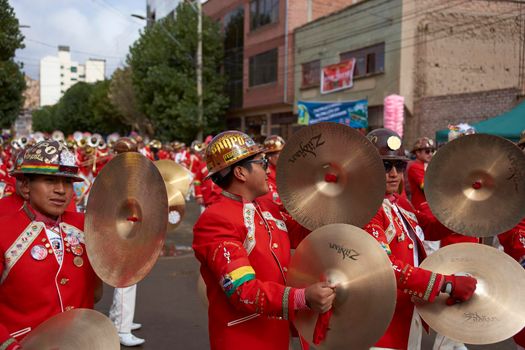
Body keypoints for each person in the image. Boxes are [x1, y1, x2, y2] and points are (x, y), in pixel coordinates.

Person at [193, 131, 335, 350]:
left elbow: (300, 234)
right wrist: (302, 297)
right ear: (240, 172)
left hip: (277, 332)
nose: (267, 168)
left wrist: (327, 197)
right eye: (261, 162)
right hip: (245, 339)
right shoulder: (215, 220)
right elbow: (243, 291)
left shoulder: (265, 206)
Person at [364, 129, 477, 350]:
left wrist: (465, 207)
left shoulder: (400, 203)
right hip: (381, 324)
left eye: (399, 166)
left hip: (408, 314)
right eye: (386, 166)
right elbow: (383, 267)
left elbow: (428, 228)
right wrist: (447, 284)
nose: (394, 173)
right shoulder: (365, 208)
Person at [0, 140, 101, 349]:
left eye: (67, 182)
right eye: (50, 180)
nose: (61, 190)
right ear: (26, 186)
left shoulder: (87, 226)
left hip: (82, 342)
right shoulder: (3, 230)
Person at [108, 137, 145, 347]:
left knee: (126, 278)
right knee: (127, 279)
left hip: (125, 227)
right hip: (121, 229)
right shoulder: (120, 176)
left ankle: (118, 319)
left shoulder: (116, 173)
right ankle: (122, 328)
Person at [262, 135, 285, 205]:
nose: (283, 156)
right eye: (278, 153)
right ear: (269, 156)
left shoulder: (285, 169)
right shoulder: (266, 174)